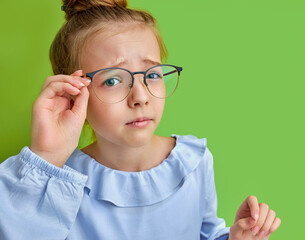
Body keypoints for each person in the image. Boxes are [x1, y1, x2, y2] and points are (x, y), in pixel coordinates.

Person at [0, 0, 281, 239]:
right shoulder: (58, 180)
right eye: (112, 80)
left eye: (153, 75)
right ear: (74, 94)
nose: (141, 97)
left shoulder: (194, 163)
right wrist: (46, 156)